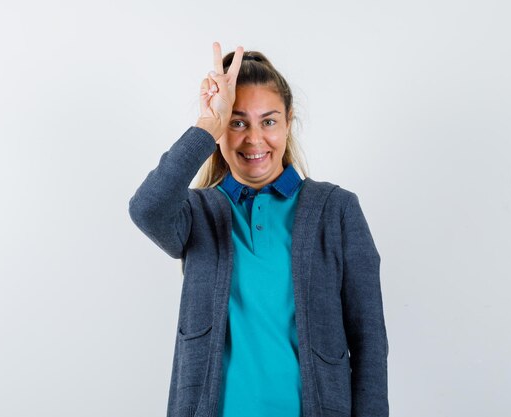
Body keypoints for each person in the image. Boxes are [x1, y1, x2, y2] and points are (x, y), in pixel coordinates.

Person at [128, 42, 389, 417]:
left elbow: (369, 343)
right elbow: (146, 208)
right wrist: (206, 126)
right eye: (237, 122)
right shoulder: (197, 212)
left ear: (288, 121)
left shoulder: (337, 210)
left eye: (268, 121)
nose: (254, 139)